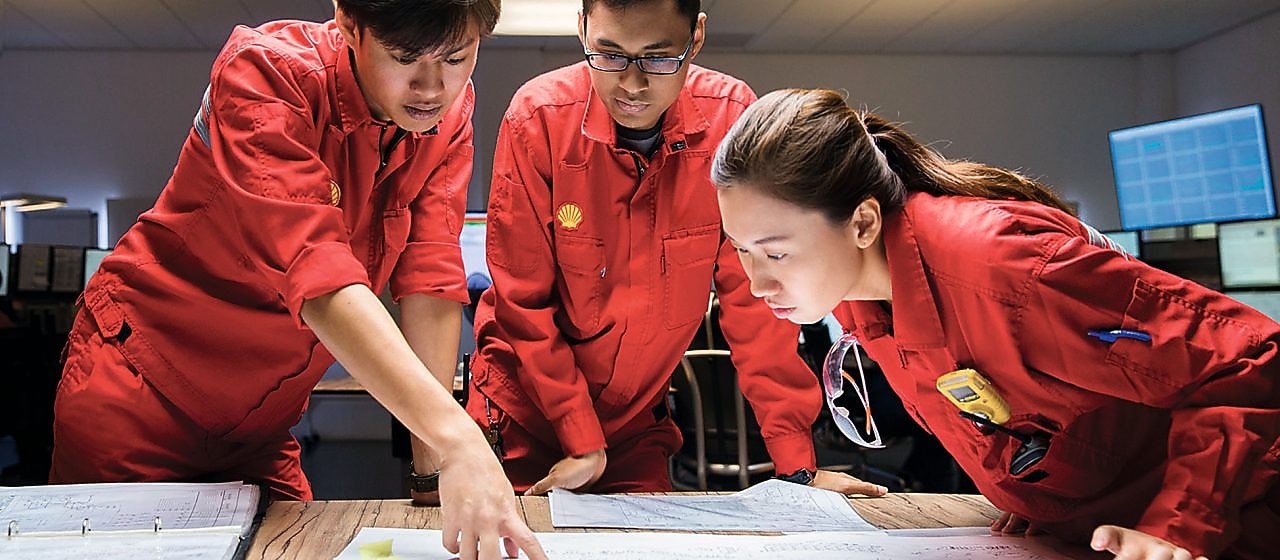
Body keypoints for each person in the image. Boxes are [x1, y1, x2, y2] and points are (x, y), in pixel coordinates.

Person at [48, 2, 546, 558]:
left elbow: (429, 272)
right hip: (142, 395)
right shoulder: (265, 72)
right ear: (349, 23)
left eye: (457, 58)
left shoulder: (445, 114)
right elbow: (317, 271)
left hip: (260, 427)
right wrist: (459, 439)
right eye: (406, 58)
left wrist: (431, 466)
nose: (433, 87)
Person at [711, 88, 1280, 560]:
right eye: (740, 250)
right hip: (1088, 532)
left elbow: (1247, 361)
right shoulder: (860, 296)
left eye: (776, 253)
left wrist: (1178, 524)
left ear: (862, 222)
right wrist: (1039, 490)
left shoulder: (1005, 270)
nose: (757, 283)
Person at [455, 0, 884, 497]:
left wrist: (798, 466)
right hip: (520, 416)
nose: (632, 84)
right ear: (582, 30)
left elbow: (757, 309)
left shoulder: (731, 121)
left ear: (695, 38)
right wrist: (580, 438)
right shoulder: (539, 119)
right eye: (609, 55)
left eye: (659, 59)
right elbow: (523, 304)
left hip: (635, 426)